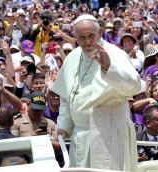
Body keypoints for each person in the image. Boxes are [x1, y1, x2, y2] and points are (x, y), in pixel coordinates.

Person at [51, 14, 144, 171]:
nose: (87, 42)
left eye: (91, 36)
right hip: (81, 136)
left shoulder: (115, 54)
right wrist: (63, 126)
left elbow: (134, 87)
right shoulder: (72, 57)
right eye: (82, 38)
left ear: (100, 32)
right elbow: (67, 97)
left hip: (109, 134)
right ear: (75, 37)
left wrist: (109, 68)